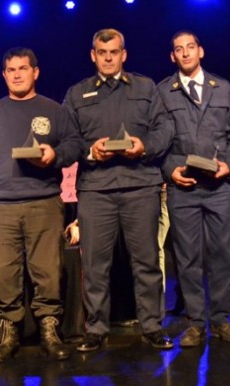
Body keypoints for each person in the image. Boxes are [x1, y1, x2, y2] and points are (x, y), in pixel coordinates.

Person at [0, 47, 84, 362]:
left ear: (36, 71)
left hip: (44, 202)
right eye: (11, 69)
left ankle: (49, 331)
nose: (17, 74)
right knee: (4, 272)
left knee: (48, 270)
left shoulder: (55, 111)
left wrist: (54, 155)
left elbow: (74, 144)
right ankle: (9, 334)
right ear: (4, 75)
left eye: (23, 68)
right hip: (1, 206)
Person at [63, 28, 175, 352]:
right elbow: (68, 141)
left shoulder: (145, 87)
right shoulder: (77, 93)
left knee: (147, 262)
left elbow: (165, 129)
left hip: (141, 186)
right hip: (96, 190)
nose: (108, 57)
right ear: (93, 55)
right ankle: (96, 329)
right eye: (102, 52)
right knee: (95, 265)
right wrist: (89, 150)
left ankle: (152, 326)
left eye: (114, 52)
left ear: (124, 54)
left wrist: (145, 146)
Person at [157, 31, 230, 347]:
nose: (185, 53)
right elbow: (158, 145)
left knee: (223, 255)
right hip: (183, 189)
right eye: (178, 49)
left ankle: (221, 319)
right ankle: (195, 323)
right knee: (188, 258)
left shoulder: (222, 89)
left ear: (201, 51)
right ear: (173, 56)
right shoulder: (162, 93)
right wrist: (171, 170)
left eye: (190, 47)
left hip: (218, 186)